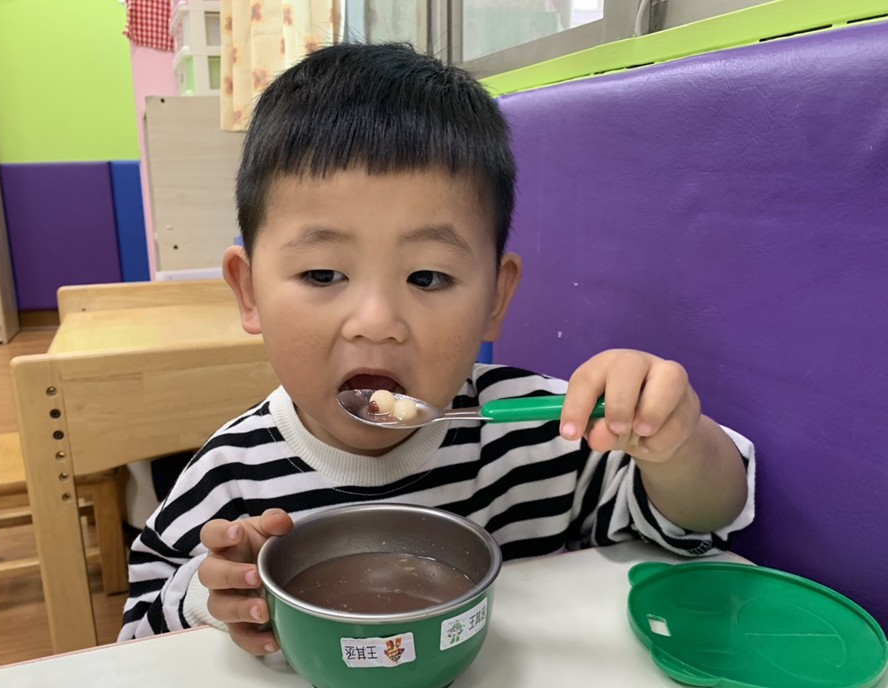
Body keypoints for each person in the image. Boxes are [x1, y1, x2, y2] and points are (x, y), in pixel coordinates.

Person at [119, 42, 754, 655]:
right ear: (249, 290)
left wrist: (671, 443)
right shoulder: (230, 477)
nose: (376, 322)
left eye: (427, 277)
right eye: (322, 274)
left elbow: (700, 519)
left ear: (495, 298)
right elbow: (136, 636)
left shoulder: (539, 432)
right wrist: (215, 597)